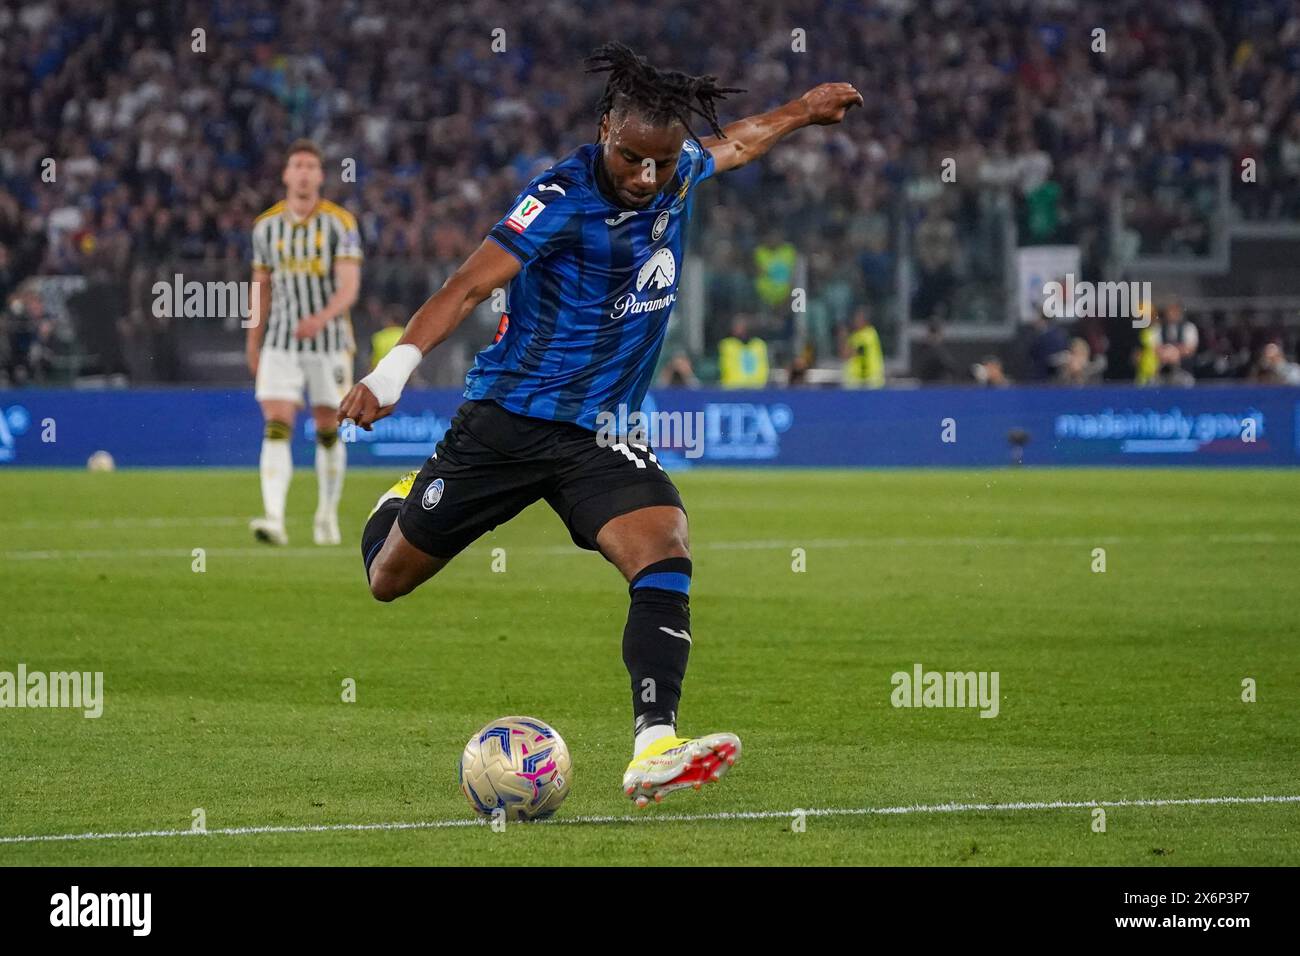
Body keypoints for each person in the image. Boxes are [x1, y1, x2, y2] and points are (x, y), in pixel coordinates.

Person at [338, 43, 861, 807]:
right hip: (508, 423)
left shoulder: (676, 168)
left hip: (601, 430)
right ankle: (409, 491)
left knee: (665, 548)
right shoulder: (557, 198)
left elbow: (738, 140)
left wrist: (804, 112)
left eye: (660, 161)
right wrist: (391, 372)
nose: (647, 177)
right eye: (631, 160)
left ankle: (654, 743)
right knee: (388, 578)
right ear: (606, 128)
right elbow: (465, 285)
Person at [245, 140, 362, 547]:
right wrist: (253, 339)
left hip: (329, 342)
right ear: (286, 174)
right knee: (277, 422)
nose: (304, 172)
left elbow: (349, 288)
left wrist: (321, 318)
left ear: (320, 176)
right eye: (297, 165)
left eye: (311, 166)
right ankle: (274, 518)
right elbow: (260, 288)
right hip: (280, 340)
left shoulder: (340, 224)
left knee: (328, 426)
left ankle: (326, 515)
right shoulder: (266, 226)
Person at [842, 306, 884, 388]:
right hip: (857, 382)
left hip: (870, 381)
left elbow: (852, 352)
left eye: (858, 319)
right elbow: (844, 355)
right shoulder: (855, 336)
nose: (855, 321)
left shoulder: (869, 334)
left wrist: (843, 337)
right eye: (855, 319)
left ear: (864, 320)